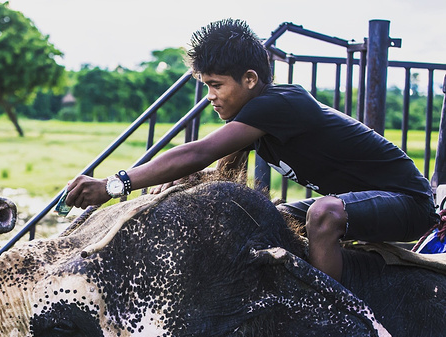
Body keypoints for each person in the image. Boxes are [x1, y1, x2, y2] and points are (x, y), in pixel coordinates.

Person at [64, 18, 437, 283]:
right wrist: (178, 184)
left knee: (323, 214)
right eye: (206, 86)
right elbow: (217, 170)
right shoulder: (252, 121)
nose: (210, 97)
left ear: (250, 79)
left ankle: (329, 319)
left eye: (215, 85)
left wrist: (114, 185)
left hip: (410, 201)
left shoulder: (282, 103)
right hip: (366, 199)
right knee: (275, 218)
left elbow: (200, 151)